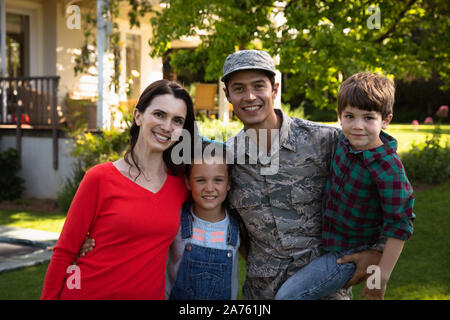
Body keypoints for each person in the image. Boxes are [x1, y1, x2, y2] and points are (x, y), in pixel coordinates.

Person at [222, 50, 386, 299]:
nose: (250, 96)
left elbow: (384, 188)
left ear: (274, 89)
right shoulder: (226, 158)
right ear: (227, 95)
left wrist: (377, 252)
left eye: (258, 86)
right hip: (262, 293)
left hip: (327, 290)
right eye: (239, 88)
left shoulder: (325, 140)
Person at [41, 79, 196, 299]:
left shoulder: (182, 185)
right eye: (159, 114)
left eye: (177, 120)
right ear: (138, 116)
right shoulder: (99, 178)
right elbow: (64, 253)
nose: (167, 126)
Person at [274, 72, 415, 300]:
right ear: (339, 116)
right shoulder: (342, 143)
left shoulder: (388, 167)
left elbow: (400, 223)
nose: (358, 126)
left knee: (288, 297)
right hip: (326, 242)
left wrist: (379, 277)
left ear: (386, 120)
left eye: (368, 118)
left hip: (348, 255)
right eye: (350, 116)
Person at [166, 140, 248, 300]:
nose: (209, 188)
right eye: (201, 180)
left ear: (229, 183)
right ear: (188, 182)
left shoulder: (236, 228)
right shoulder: (175, 222)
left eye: (218, 180)